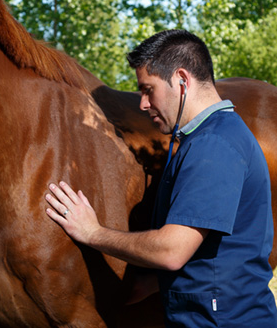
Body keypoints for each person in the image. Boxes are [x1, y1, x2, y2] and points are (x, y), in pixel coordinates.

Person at [45, 29, 277, 327]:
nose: (142, 104)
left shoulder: (214, 145)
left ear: (182, 80)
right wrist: (156, 282)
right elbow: (222, 247)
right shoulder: (208, 138)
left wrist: (91, 232)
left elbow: (172, 250)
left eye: (148, 89)